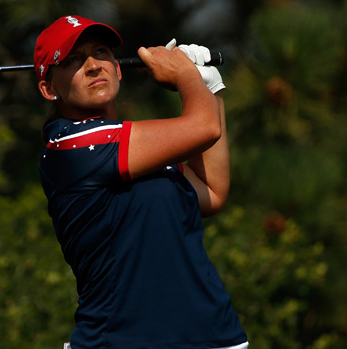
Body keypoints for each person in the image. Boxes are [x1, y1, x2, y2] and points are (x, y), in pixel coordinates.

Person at [35, 15, 248, 348]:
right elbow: (205, 128)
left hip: (215, 338)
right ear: (49, 88)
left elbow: (212, 192)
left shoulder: (136, 147)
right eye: (74, 59)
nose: (93, 65)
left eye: (101, 52)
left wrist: (210, 88)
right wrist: (186, 76)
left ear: (118, 69)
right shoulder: (70, 146)